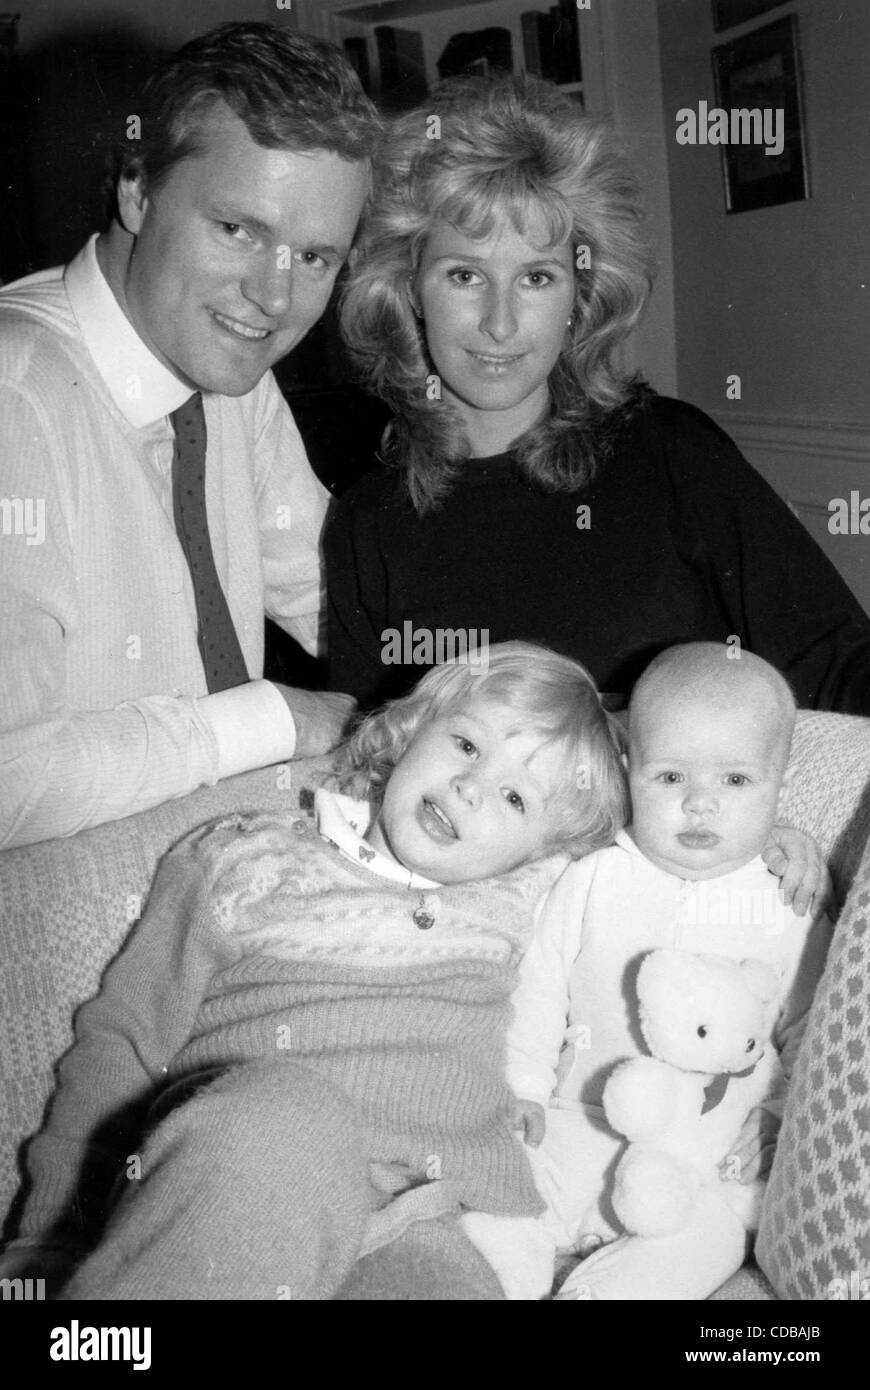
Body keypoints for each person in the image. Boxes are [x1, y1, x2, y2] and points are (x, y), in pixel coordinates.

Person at [0, 642, 629, 1300]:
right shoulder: (244, 857)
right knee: (291, 1116)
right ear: (411, 733)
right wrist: (54, 1231)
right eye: (467, 745)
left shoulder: (520, 900)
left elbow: (665, 811)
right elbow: (121, 1040)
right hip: (248, 1183)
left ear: (541, 851)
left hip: (418, 1219)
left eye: (515, 798)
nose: (471, 787)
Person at [325, 74, 870, 716]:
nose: (499, 323)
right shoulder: (368, 521)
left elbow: (833, 662)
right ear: (410, 286)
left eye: (536, 277)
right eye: (465, 274)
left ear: (579, 295)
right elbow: (371, 752)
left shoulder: (671, 453)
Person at [0, 23, 381, 850]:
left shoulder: (228, 365)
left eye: (314, 257)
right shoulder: (15, 399)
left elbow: (338, 599)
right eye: (238, 229)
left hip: (216, 866)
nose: (273, 297)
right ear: (136, 189)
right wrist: (269, 719)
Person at [463, 643, 832, 1300]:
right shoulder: (593, 873)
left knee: (709, 1237)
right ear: (628, 765)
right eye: (670, 778)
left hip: (709, 1161)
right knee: (497, 1215)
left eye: (735, 781)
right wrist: (519, 1087)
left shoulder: (789, 903)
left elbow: (817, 1036)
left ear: (781, 781)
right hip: (574, 1120)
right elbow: (537, 990)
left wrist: (782, 1115)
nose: (699, 804)